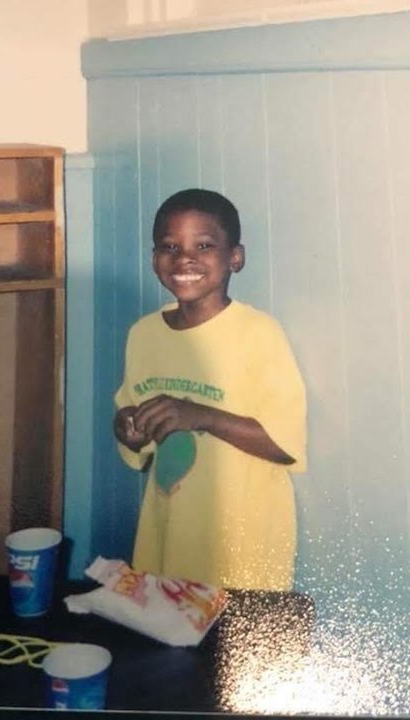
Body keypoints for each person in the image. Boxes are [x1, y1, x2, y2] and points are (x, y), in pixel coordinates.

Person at [112, 188, 307, 591]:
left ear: (235, 257)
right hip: (168, 533)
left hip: (241, 542)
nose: (184, 258)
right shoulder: (143, 334)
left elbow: (284, 444)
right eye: (169, 247)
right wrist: (129, 428)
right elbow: (132, 433)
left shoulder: (258, 333)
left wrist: (198, 415)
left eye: (203, 246)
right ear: (153, 259)